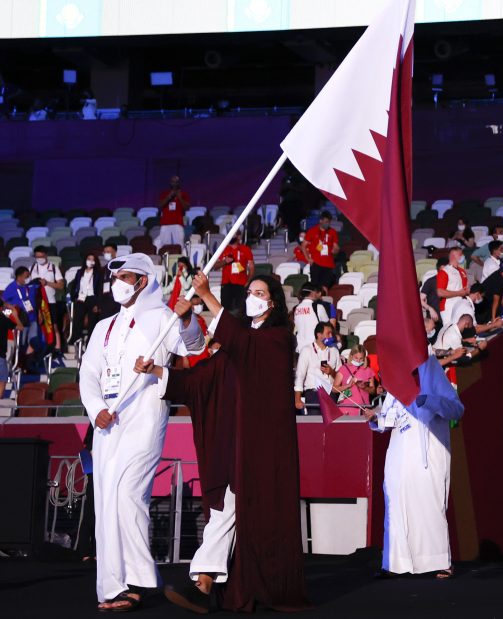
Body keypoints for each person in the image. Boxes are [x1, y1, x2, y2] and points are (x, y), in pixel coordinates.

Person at [135, 270, 309, 612]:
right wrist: (156, 371)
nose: (252, 296)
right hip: (235, 444)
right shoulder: (235, 345)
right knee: (225, 511)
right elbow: (200, 380)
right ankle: (205, 582)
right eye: (249, 291)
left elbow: (247, 346)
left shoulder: (276, 339)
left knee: (229, 510)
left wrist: (208, 296)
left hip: (262, 448)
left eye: (259, 292)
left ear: (272, 302)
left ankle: (202, 581)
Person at [78, 253, 205, 612]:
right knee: (106, 502)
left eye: (127, 275)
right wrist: (95, 409)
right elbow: (88, 374)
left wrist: (188, 318)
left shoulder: (162, 318)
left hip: (145, 417)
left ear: (145, 280)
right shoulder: (103, 326)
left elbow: (193, 347)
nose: (118, 280)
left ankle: (140, 580)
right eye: (115, 274)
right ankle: (116, 584)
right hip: (106, 421)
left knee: (128, 495)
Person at [364, 358, 465, 578]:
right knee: (395, 504)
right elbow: (390, 418)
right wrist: (375, 418)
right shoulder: (396, 386)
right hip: (399, 452)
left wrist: (428, 400)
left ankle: (440, 561)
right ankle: (395, 563)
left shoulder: (433, 375)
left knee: (429, 505)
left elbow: (456, 409)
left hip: (427, 453)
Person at [293, 321, 340, 415]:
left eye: (332, 333)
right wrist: (297, 399)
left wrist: (331, 372)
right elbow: (300, 376)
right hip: (313, 393)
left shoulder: (334, 351)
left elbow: (341, 376)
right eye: (328, 333)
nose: (331, 336)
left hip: (331, 393)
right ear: (319, 335)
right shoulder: (306, 350)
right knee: (315, 425)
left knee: (332, 426)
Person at [2, 267, 40, 368]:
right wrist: (11, 307)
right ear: (19, 277)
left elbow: (38, 299)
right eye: (26, 276)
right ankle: (21, 364)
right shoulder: (11, 288)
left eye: (29, 276)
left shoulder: (31, 286)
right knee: (21, 344)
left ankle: (29, 365)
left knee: (34, 341)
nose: (28, 278)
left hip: (32, 318)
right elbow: (3, 302)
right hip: (20, 320)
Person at [30, 245, 65, 351]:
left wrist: (47, 283)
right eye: (37, 257)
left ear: (46, 256)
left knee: (53, 325)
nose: (39, 259)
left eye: (41, 256)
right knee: (38, 325)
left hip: (50, 300)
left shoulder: (53, 268)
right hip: (37, 301)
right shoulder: (32, 268)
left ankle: (57, 347)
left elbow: (61, 285)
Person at [68, 253, 105, 346]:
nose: (90, 261)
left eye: (93, 259)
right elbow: (74, 285)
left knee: (92, 321)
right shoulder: (80, 272)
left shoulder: (98, 273)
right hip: (81, 298)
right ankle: (76, 340)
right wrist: (74, 297)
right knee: (77, 320)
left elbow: (100, 289)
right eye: (89, 259)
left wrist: (98, 304)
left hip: (93, 298)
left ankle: (90, 343)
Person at [212, 233, 253, 315]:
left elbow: (251, 267)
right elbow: (215, 266)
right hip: (226, 284)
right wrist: (224, 261)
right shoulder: (223, 249)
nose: (231, 236)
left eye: (234, 234)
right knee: (225, 311)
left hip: (241, 284)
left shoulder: (245, 249)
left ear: (239, 236)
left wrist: (248, 282)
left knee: (241, 310)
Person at [330, 344, 376, 416]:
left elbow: (373, 390)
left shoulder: (368, 370)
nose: (358, 360)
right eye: (356, 358)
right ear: (351, 356)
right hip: (346, 408)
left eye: (361, 358)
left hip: (363, 408)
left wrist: (364, 387)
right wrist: (348, 386)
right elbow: (334, 388)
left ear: (364, 358)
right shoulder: (344, 368)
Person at [302, 211, 340, 291]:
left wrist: (335, 250)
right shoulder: (312, 231)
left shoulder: (332, 232)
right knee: (315, 287)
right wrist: (308, 258)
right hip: (316, 263)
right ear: (321, 221)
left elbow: (336, 247)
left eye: (329, 222)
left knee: (325, 287)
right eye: (326, 222)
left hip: (328, 264)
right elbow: (303, 246)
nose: (327, 224)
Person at [436, 246, 470, 326]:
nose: (463, 256)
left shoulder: (462, 271)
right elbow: (440, 292)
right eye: (460, 254)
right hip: (448, 307)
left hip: (461, 306)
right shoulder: (444, 272)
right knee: (450, 331)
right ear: (452, 256)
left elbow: (465, 289)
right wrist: (459, 293)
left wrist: (467, 291)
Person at [156, 175, 190, 250]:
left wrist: (179, 197)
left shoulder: (183, 194)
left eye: (176, 182)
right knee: (164, 246)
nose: (174, 184)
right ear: (170, 183)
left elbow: (186, 208)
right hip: (165, 223)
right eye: (173, 182)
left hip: (178, 223)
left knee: (179, 245)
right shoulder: (164, 193)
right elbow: (160, 206)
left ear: (179, 183)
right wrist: (169, 196)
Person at [292, 283, 329, 352]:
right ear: (313, 293)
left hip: (299, 348)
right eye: (318, 292)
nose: (320, 294)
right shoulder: (319, 307)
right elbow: (327, 327)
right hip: (315, 349)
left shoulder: (295, 308)